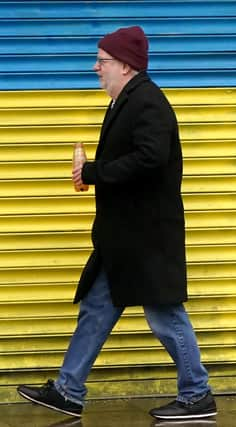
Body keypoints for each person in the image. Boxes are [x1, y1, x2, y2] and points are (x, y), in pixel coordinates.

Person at [16, 26, 216, 421]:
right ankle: (68, 390)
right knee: (96, 307)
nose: (96, 68)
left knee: (164, 313)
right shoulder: (125, 101)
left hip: (147, 236)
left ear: (125, 65)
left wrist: (93, 172)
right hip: (124, 237)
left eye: (102, 61)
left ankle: (197, 394)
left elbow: (151, 158)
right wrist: (96, 174)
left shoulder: (148, 102)